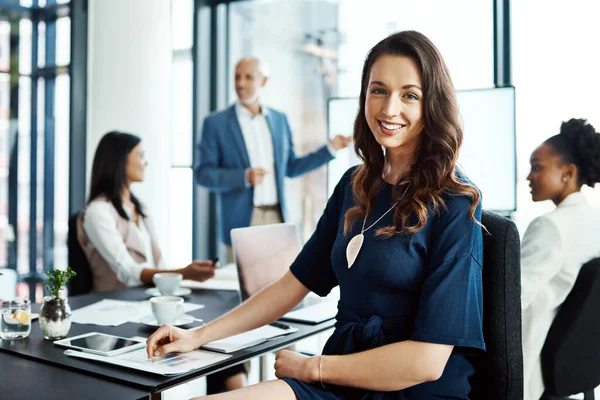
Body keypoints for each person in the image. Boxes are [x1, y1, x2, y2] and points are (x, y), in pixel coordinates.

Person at [147, 30, 485, 399]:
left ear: (431, 104)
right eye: (378, 90)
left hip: (414, 389)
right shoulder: (353, 186)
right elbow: (292, 284)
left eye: (409, 95)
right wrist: (198, 335)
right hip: (343, 380)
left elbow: (427, 361)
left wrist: (312, 367)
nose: (389, 109)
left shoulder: (455, 201)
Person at [78, 131, 247, 391]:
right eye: (141, 156)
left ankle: (238, 391)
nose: (146, 162)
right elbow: (128, 271)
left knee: (213, 333)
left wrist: (187, 272)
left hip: (147, 304)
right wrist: (185, 273)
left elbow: (160, 263)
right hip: (118, 311)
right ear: (121, 161)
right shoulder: (98, 212)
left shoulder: (140, 208)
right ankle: (238, 391)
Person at [194, 56, 352, 262]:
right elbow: (203, 175)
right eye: (237, 77)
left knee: (280, 285)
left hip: (278, 218)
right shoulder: (215, 123)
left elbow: (291, 167)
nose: (240, 83)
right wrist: (243, 176)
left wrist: (329, 149)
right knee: (242, 291)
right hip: (241, 220)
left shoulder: (279, 120)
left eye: (248, 77)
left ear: (263, 81)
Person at [520, 118, 600, 400]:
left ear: (568, 173)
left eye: (537, 168)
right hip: (577, 368)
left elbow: (509, 303)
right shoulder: (595, 221)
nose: (529, 177)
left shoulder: (550, 227)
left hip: (534, 372)